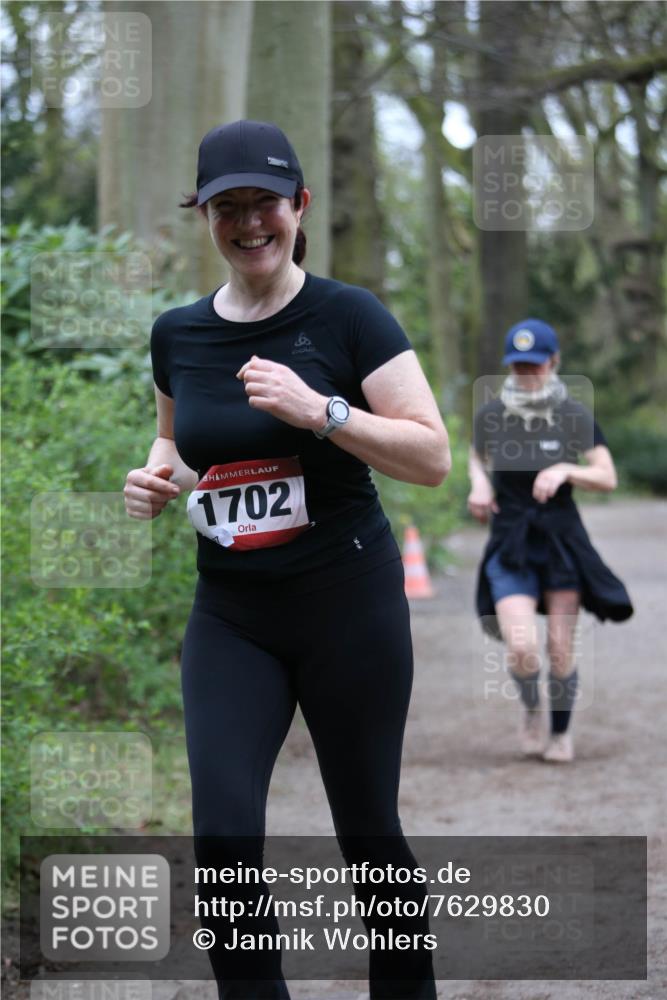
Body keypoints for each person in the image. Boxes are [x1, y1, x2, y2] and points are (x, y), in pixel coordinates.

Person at [124, 120, 450, 999]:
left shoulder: (348, 316)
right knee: (225, 842)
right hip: (231, 613)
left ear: (298, 207)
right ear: (205, 218)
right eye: (225, 207)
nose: (247, 223)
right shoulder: (177, 334)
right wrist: (159, 475)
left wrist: (324, 413)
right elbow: (179, 444)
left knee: (367, 834)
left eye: (263, 203)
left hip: (349, 601)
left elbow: (430, 456)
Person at [468, 318, 633, 764]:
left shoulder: (573, 415)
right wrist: (479, 484)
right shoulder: (493, 415)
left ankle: (560, 733)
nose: (526, 374)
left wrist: (566, 470)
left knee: (559, 647)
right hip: (511, 540)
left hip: (560, 539)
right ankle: (531, 709)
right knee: (522, 647)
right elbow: (475, 457)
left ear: (554, 362)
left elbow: (607, 475)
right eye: (518, 366)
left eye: (535, 365)